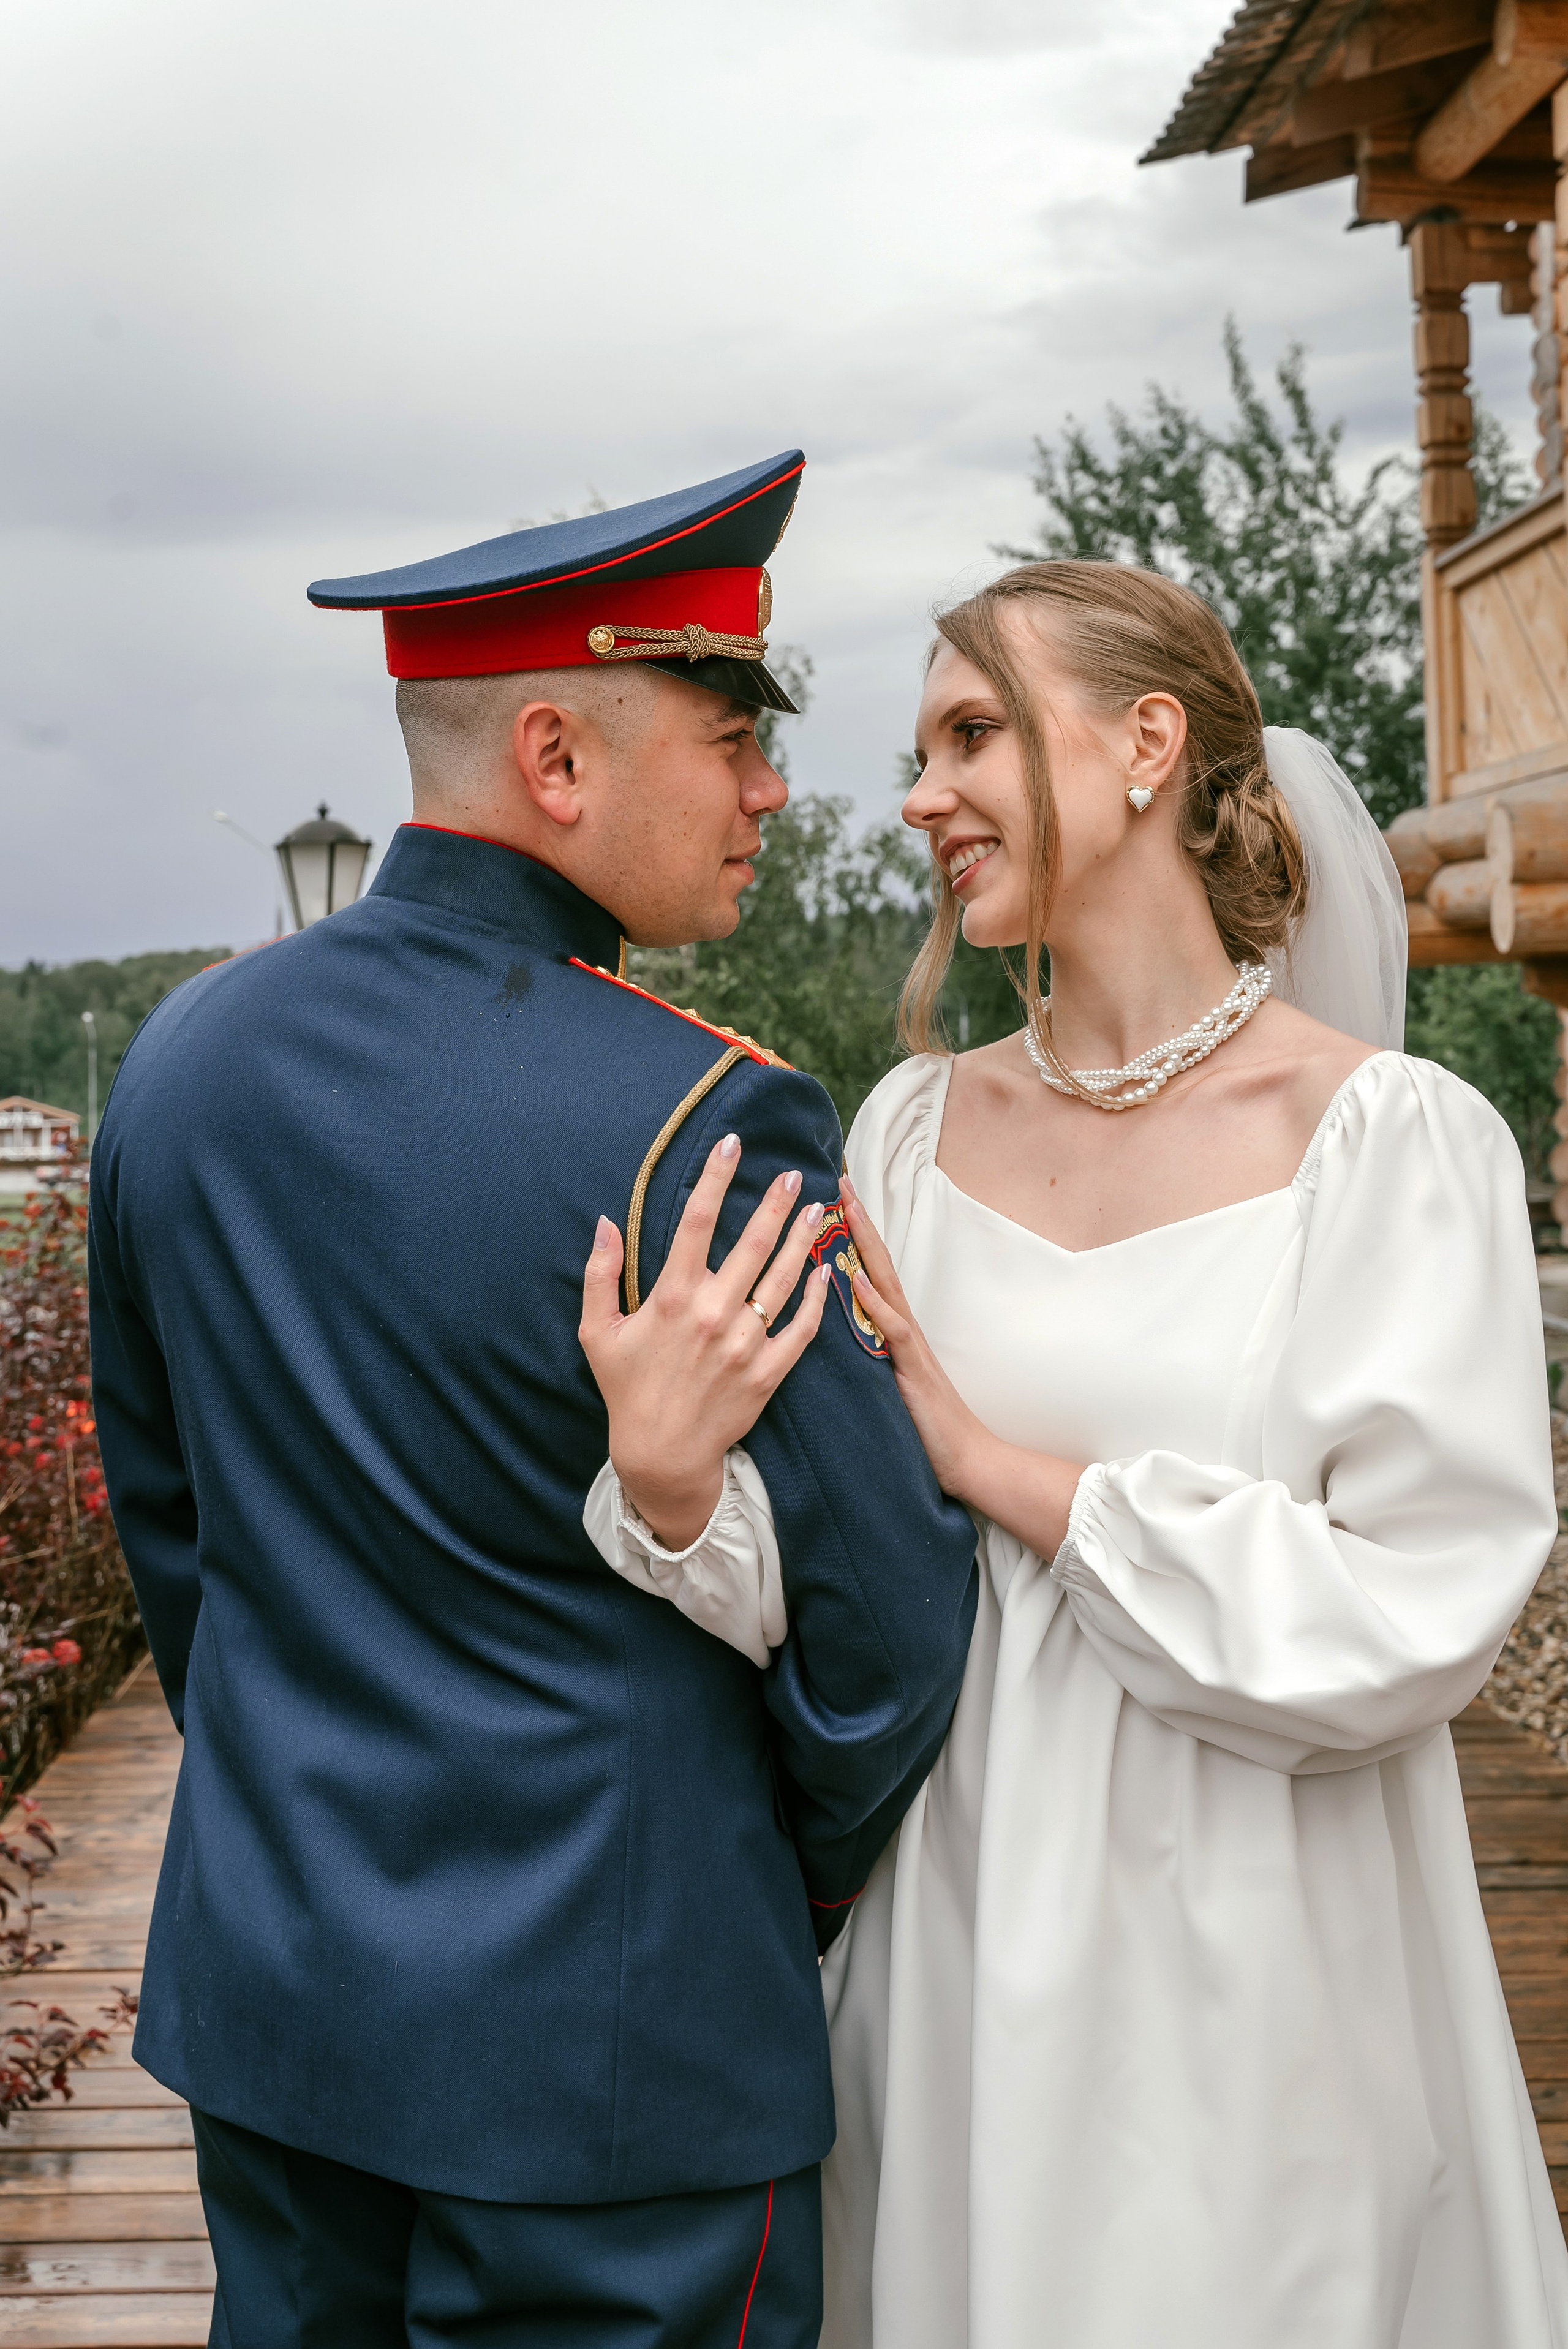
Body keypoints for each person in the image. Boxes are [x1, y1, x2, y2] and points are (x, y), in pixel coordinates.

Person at [581, 560, 1568, 2349]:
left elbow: (1421, 1605)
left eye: (972, 733)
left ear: (1146, 745)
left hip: (1271, 1948)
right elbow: (826, 1571)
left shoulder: (1392, 1145)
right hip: (958, 1941)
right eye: (918, 748)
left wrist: (997, 1459)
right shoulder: (903, 1135)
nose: (917, 797)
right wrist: (671, 1489)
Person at [87, 450, 979, 2347]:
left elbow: (178, 1549)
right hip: (616, 2065)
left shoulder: (177, 1062)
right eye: (733, 736)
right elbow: (891, 1632)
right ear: (557, 762)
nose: (771, 791)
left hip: (279, 2011)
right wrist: (766, 1888)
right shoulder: (698, 1118)